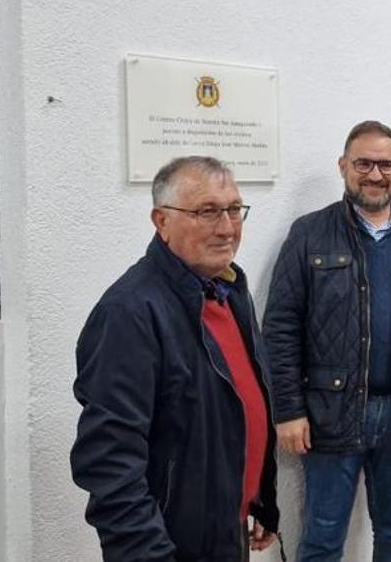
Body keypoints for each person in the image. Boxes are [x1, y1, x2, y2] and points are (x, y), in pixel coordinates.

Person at [262, 120, 391, 562]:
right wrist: (289, 410)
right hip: (330, 414)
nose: (375, 174)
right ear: (343, 167)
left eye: (385, 164)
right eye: (364, 163)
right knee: (321, 539)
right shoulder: (310, 233)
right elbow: (280, 327)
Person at [71, 156, 280, 561]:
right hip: (171, 545)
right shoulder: (130, 313)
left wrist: (259, 495)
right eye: (206, 211)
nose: (226, 227)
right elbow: (109, 463)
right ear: (161, 220)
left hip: (224, 529)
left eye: (234, 209)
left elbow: (237, 409)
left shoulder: (229, 289)